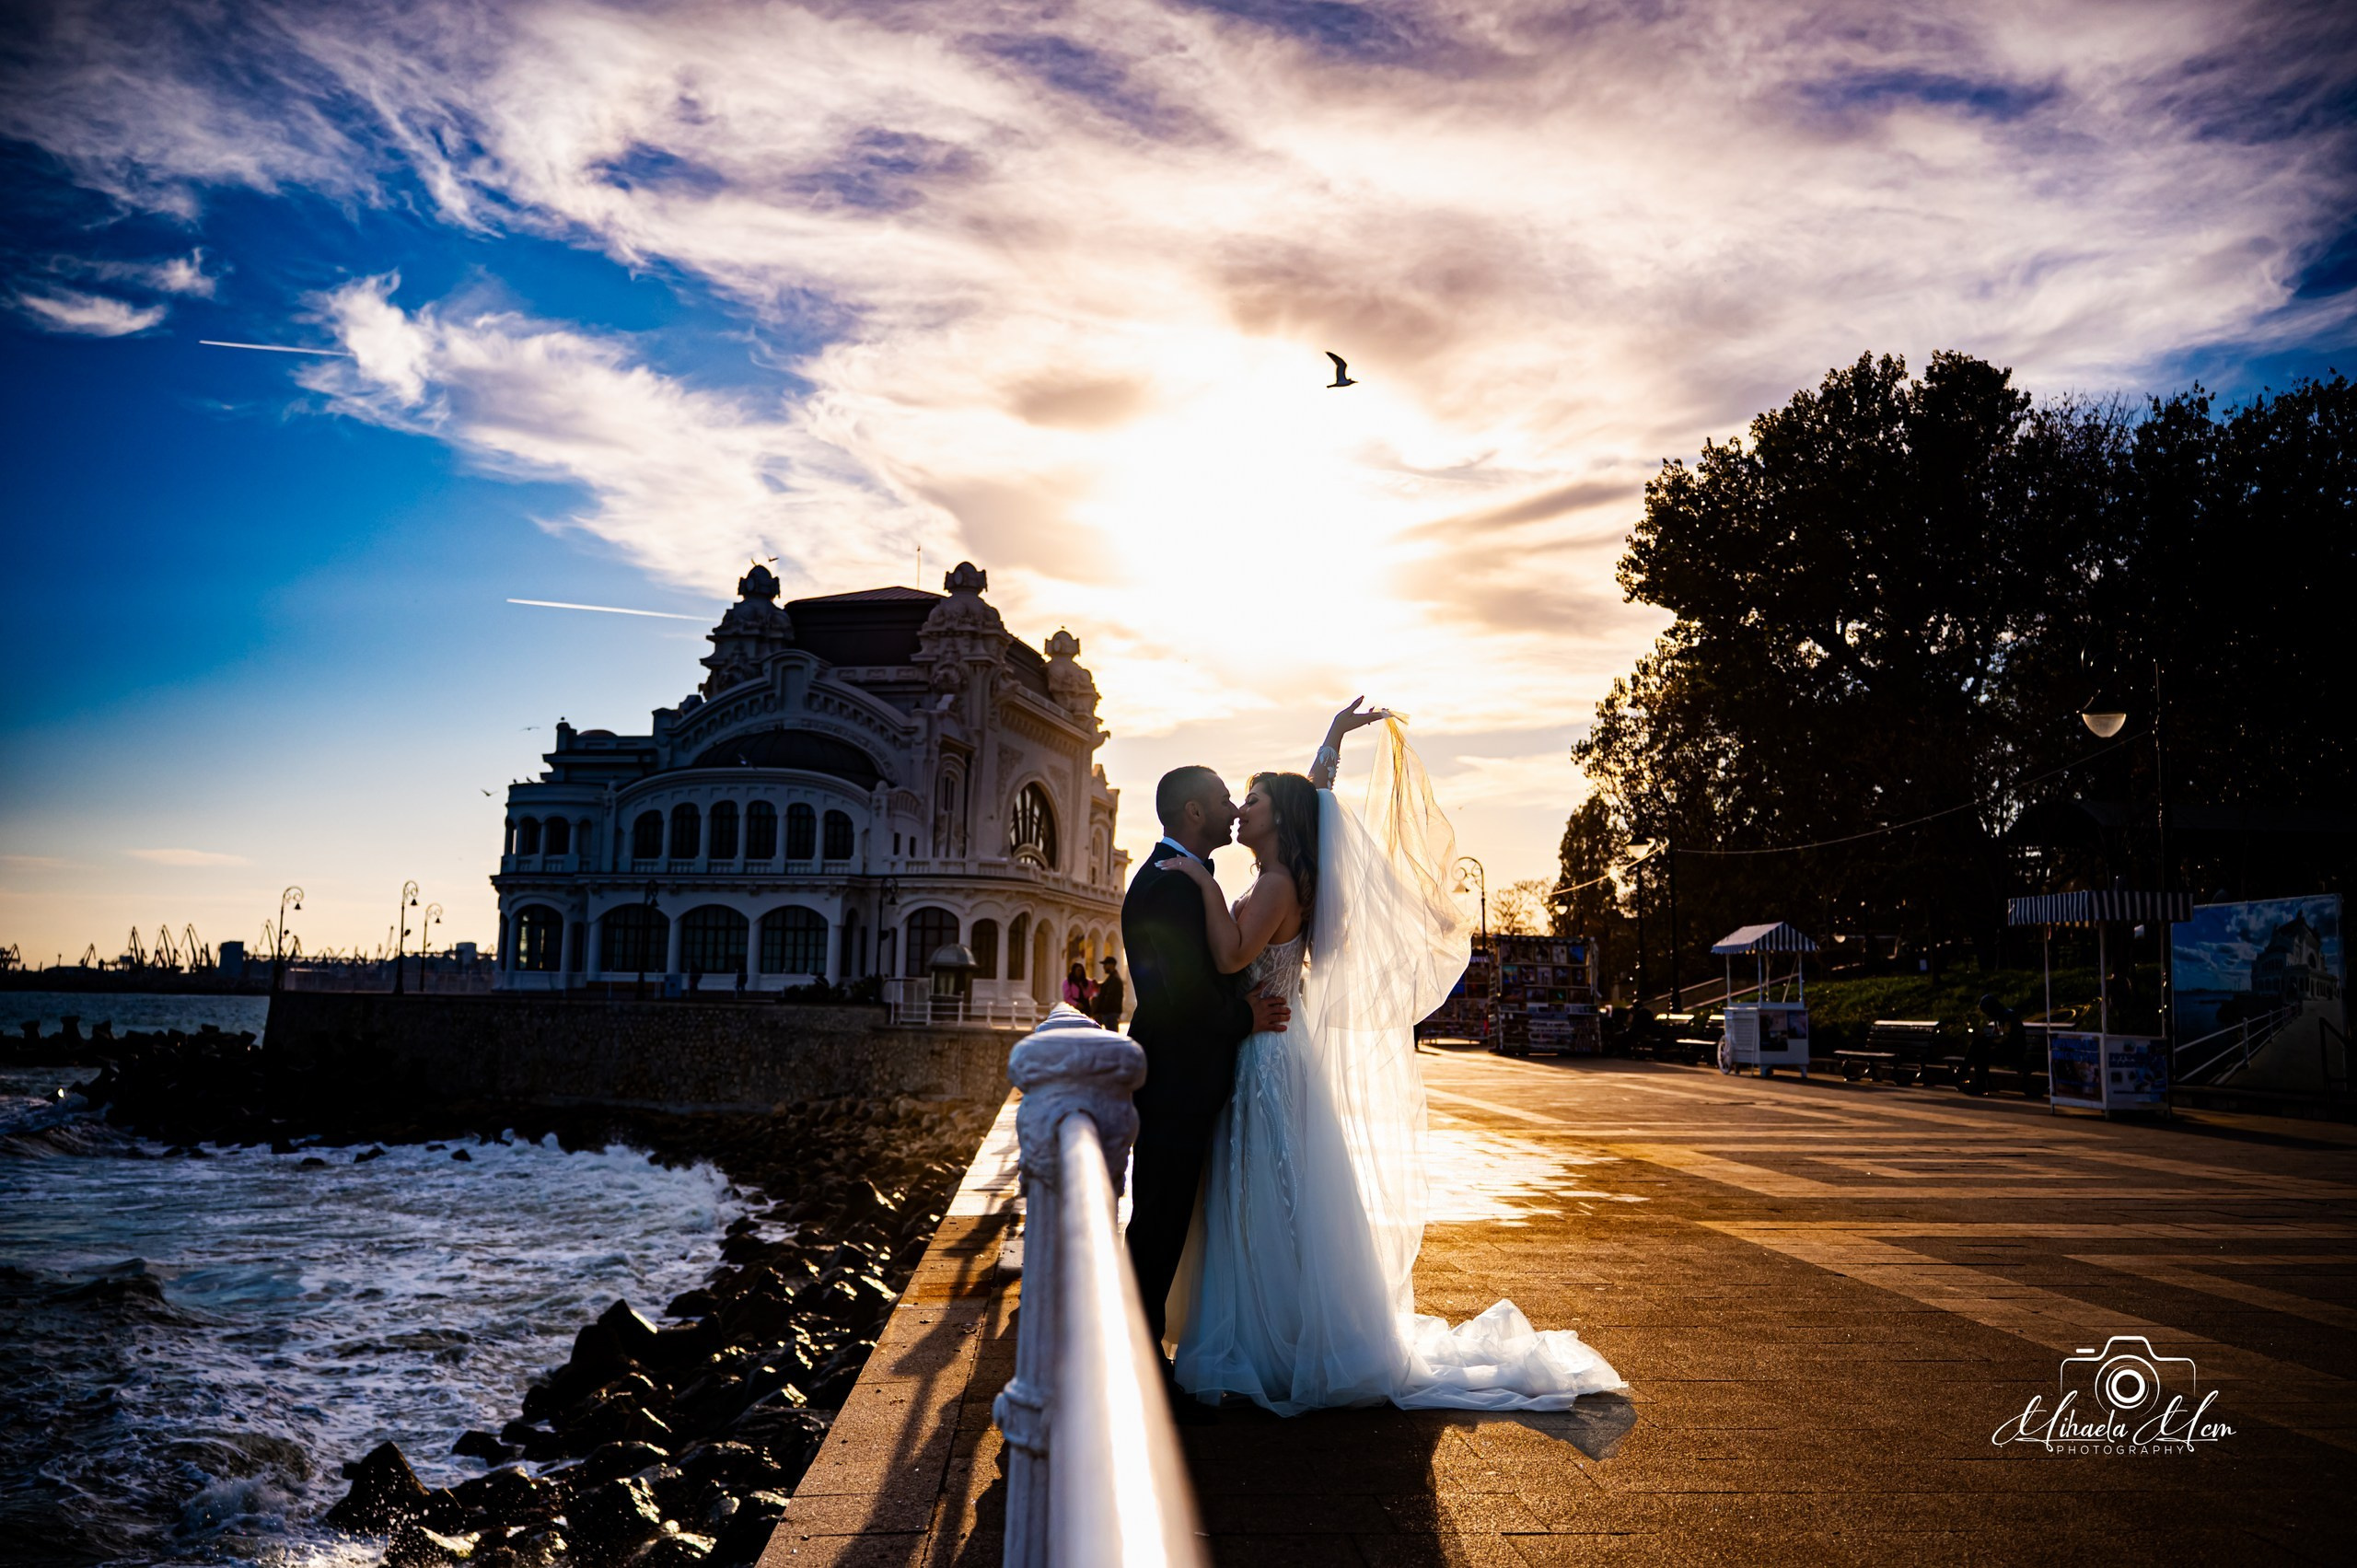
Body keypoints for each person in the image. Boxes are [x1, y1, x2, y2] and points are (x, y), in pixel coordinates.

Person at [1152, 699, 1624, 1415]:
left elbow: (1229, 953)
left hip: (1267, 1057)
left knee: (1262, 1197)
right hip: (1272, 1047)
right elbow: (1309, 796)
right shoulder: (1279, 874)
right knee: (1269, 1200)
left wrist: (1199, 884)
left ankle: (1268, 1338)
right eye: (1235, 800)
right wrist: (1333, 740)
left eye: (1249, 800)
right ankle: (1270, 1327)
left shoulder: (1273, 885)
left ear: (1275, 817)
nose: (1239, 810)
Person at [1121, 762, 1295, 1377]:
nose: (1234, 809)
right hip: (1176, 1082)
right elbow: (1180, 996)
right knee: (1159, 1226)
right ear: (1194, 812)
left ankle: (1148, 1356)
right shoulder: (1168, 885)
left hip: (1190, 1081)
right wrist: (1241, 1017)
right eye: (1225, 799)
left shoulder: (1180, 878)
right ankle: (1142, 1366)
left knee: (1168, 1224)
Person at [1091, 956, 1127, 1029]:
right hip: (1110, 1012)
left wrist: (1101, 1009)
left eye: (1105, 964)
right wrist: (1098, 984)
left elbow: (1109, 996)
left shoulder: (1114, 979)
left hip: (1110, 1013)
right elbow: (1106, 986)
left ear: (1111, 965)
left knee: (1112, 1035)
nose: (1104, 967)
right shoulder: (1112, 977)